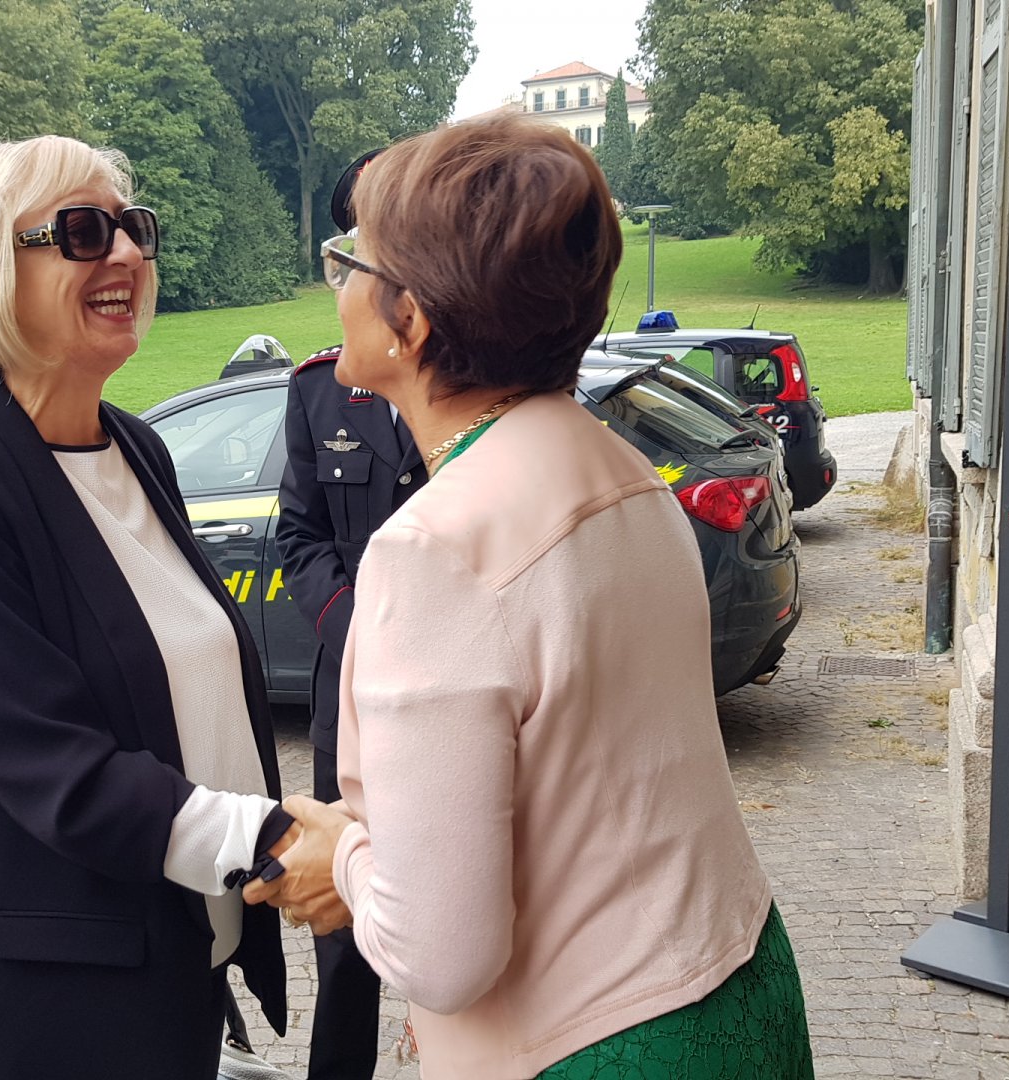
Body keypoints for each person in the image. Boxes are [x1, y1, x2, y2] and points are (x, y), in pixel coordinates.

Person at [246, 114, 815, 1080]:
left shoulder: (437, 547)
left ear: (410, 319)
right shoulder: (623, 471)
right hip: (735, 980)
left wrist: (337, 859)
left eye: (349, 264)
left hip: (598, 1043)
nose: (334, 286)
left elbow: (443, 958)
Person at [0, 134, 290, 1078]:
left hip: (176, 952)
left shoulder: (138, 447)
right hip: (49, 1001)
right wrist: (270, 839)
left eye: (132, 227)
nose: (128, 253)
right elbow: (46, 760)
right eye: (82, 231)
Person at [274, 150, 424, 1080]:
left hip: (453, 683)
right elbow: (297, 535)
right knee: (344, 925)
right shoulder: (319, 387)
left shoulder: (471, 374)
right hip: (353, 696)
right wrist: (358, 629)